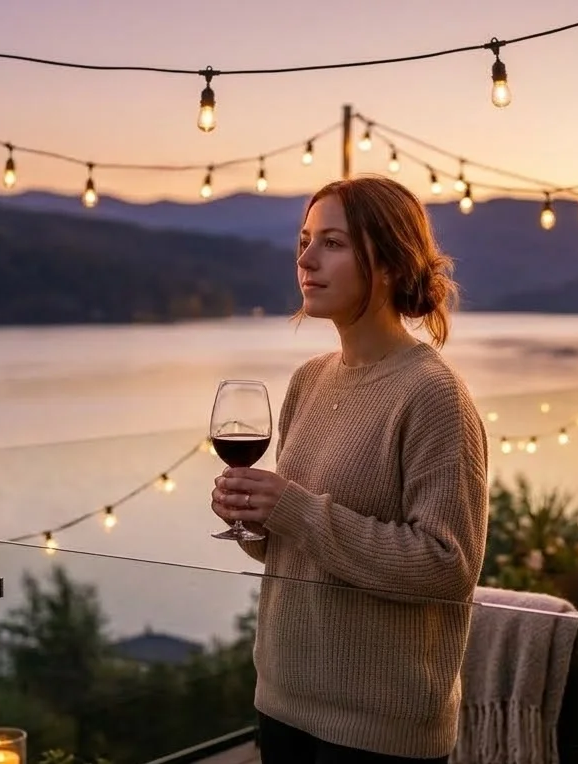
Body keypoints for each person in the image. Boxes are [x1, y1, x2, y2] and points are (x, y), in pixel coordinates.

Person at [211, 174, 490, 763]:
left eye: (332, 243)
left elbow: (447, 568)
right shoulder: (308, 381)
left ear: (387, 263)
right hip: (282, 699)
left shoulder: (433, 394)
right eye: (306, 239)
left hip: (379, 728)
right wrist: (258, 521)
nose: (306, 259)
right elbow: (295, 546)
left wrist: (291, 508)